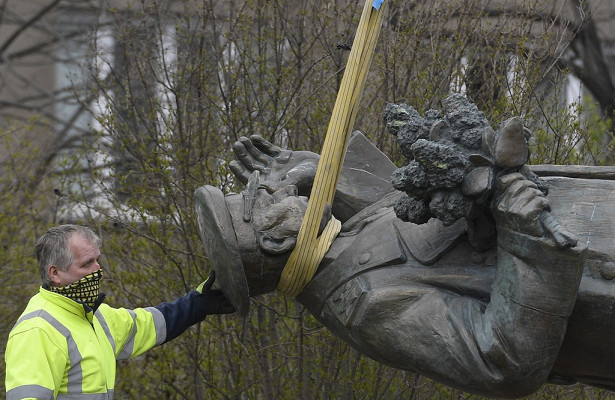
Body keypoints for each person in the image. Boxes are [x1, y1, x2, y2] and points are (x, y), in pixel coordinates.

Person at [195, 132, 615, 398]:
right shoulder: (368, 308)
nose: (281, 187)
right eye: (268, 199)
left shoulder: (339, 242)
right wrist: (526, 241)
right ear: (273, 240)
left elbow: (398, 209)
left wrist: (323, 171)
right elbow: (503, 360)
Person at [5, 224, 235, 400]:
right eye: (87, 264)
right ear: (54, 273)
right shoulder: (37, 330)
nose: (98, 271)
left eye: (98, 261)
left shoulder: (96, 316)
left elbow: (149, 324)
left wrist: (198, 304)